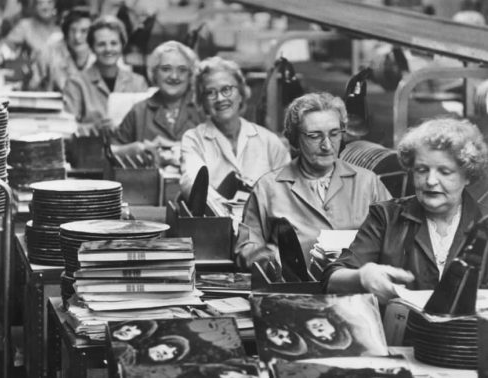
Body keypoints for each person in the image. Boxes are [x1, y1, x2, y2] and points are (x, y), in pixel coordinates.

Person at [324, 117, 488, 304]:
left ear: (467, 175)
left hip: (469, 333)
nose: (430, 181)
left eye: (444, 171)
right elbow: (331, 279)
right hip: (399, 332)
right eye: (421, 170)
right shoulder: (386, 217)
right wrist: (362, 276)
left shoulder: (485, 223)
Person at [235, 92, 390, 273]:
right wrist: (275, 260)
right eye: (315, 136)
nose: (327, 145)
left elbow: (397, 242)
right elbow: (245, 251)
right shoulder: (268, 187)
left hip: (357, 293)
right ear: (295, 138)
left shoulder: (368, 183)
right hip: (297, 294)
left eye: (334, 134)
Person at [180, 56, 290, 200]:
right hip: (217, 220)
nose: (220, 98)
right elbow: (193, 184)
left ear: (241, 93)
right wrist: (224, 208)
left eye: (226, 89)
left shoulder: (269, 141)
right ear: (203, 102)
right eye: (210, 92)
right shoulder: (194, 139)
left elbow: (288, 188)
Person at [112, 40, 203, 166]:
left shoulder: (202, 109)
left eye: (182, 70)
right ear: (154, 73)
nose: (174, 76)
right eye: (166, 69)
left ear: (190, 75)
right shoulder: (138, 111)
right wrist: (133, 149)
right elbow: (109, 152)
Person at [63, 15, 148, 132]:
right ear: (92, 48)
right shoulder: (76, 83)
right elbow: (66, 128)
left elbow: (146, 125)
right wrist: (94, 128)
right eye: (101, 44)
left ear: (122, 46)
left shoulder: (138, 83)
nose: (108, 49)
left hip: (131, 149)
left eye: (114, 43)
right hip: (91, 148)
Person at [27, 7, 95, 92]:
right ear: (66, 32)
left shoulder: (99, 55)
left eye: (84, 31)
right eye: (73, 30)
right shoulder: (50, 52)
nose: (77, 37)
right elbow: (32, 86)